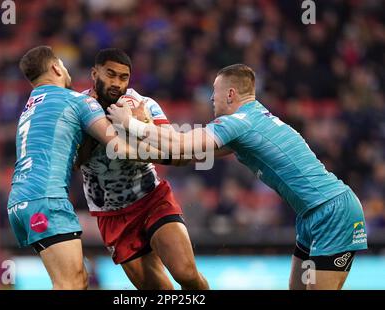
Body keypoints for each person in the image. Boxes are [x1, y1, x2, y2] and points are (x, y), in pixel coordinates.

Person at [107, 63, 368, 290]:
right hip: (310, 215)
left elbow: (181, 143)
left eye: (215, 93)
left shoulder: (239, 121)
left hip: (332, 212)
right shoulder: (249, 123)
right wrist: (129, 150)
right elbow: (185, 156)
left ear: (230, 94)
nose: (212, 99)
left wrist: (130, 124)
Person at [77, 48, 208, 290]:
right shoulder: (77, 110)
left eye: (123, 77)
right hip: (112, 215)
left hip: (152, 198)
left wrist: (137, 125)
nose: (117, 83)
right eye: (110, 75)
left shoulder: (144, 105)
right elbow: (74, 162)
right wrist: (99, 132)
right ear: (94, 73)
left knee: (186, 274)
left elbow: (179, 154)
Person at [7, 46, 133, 289]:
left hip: (20, 202)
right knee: (70, 283)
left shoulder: (31, 107)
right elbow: (118, 147)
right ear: (56, 67)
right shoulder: (76, 100)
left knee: (78, 280)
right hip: (46, 199)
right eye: (63, 65)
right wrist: (133, 124)